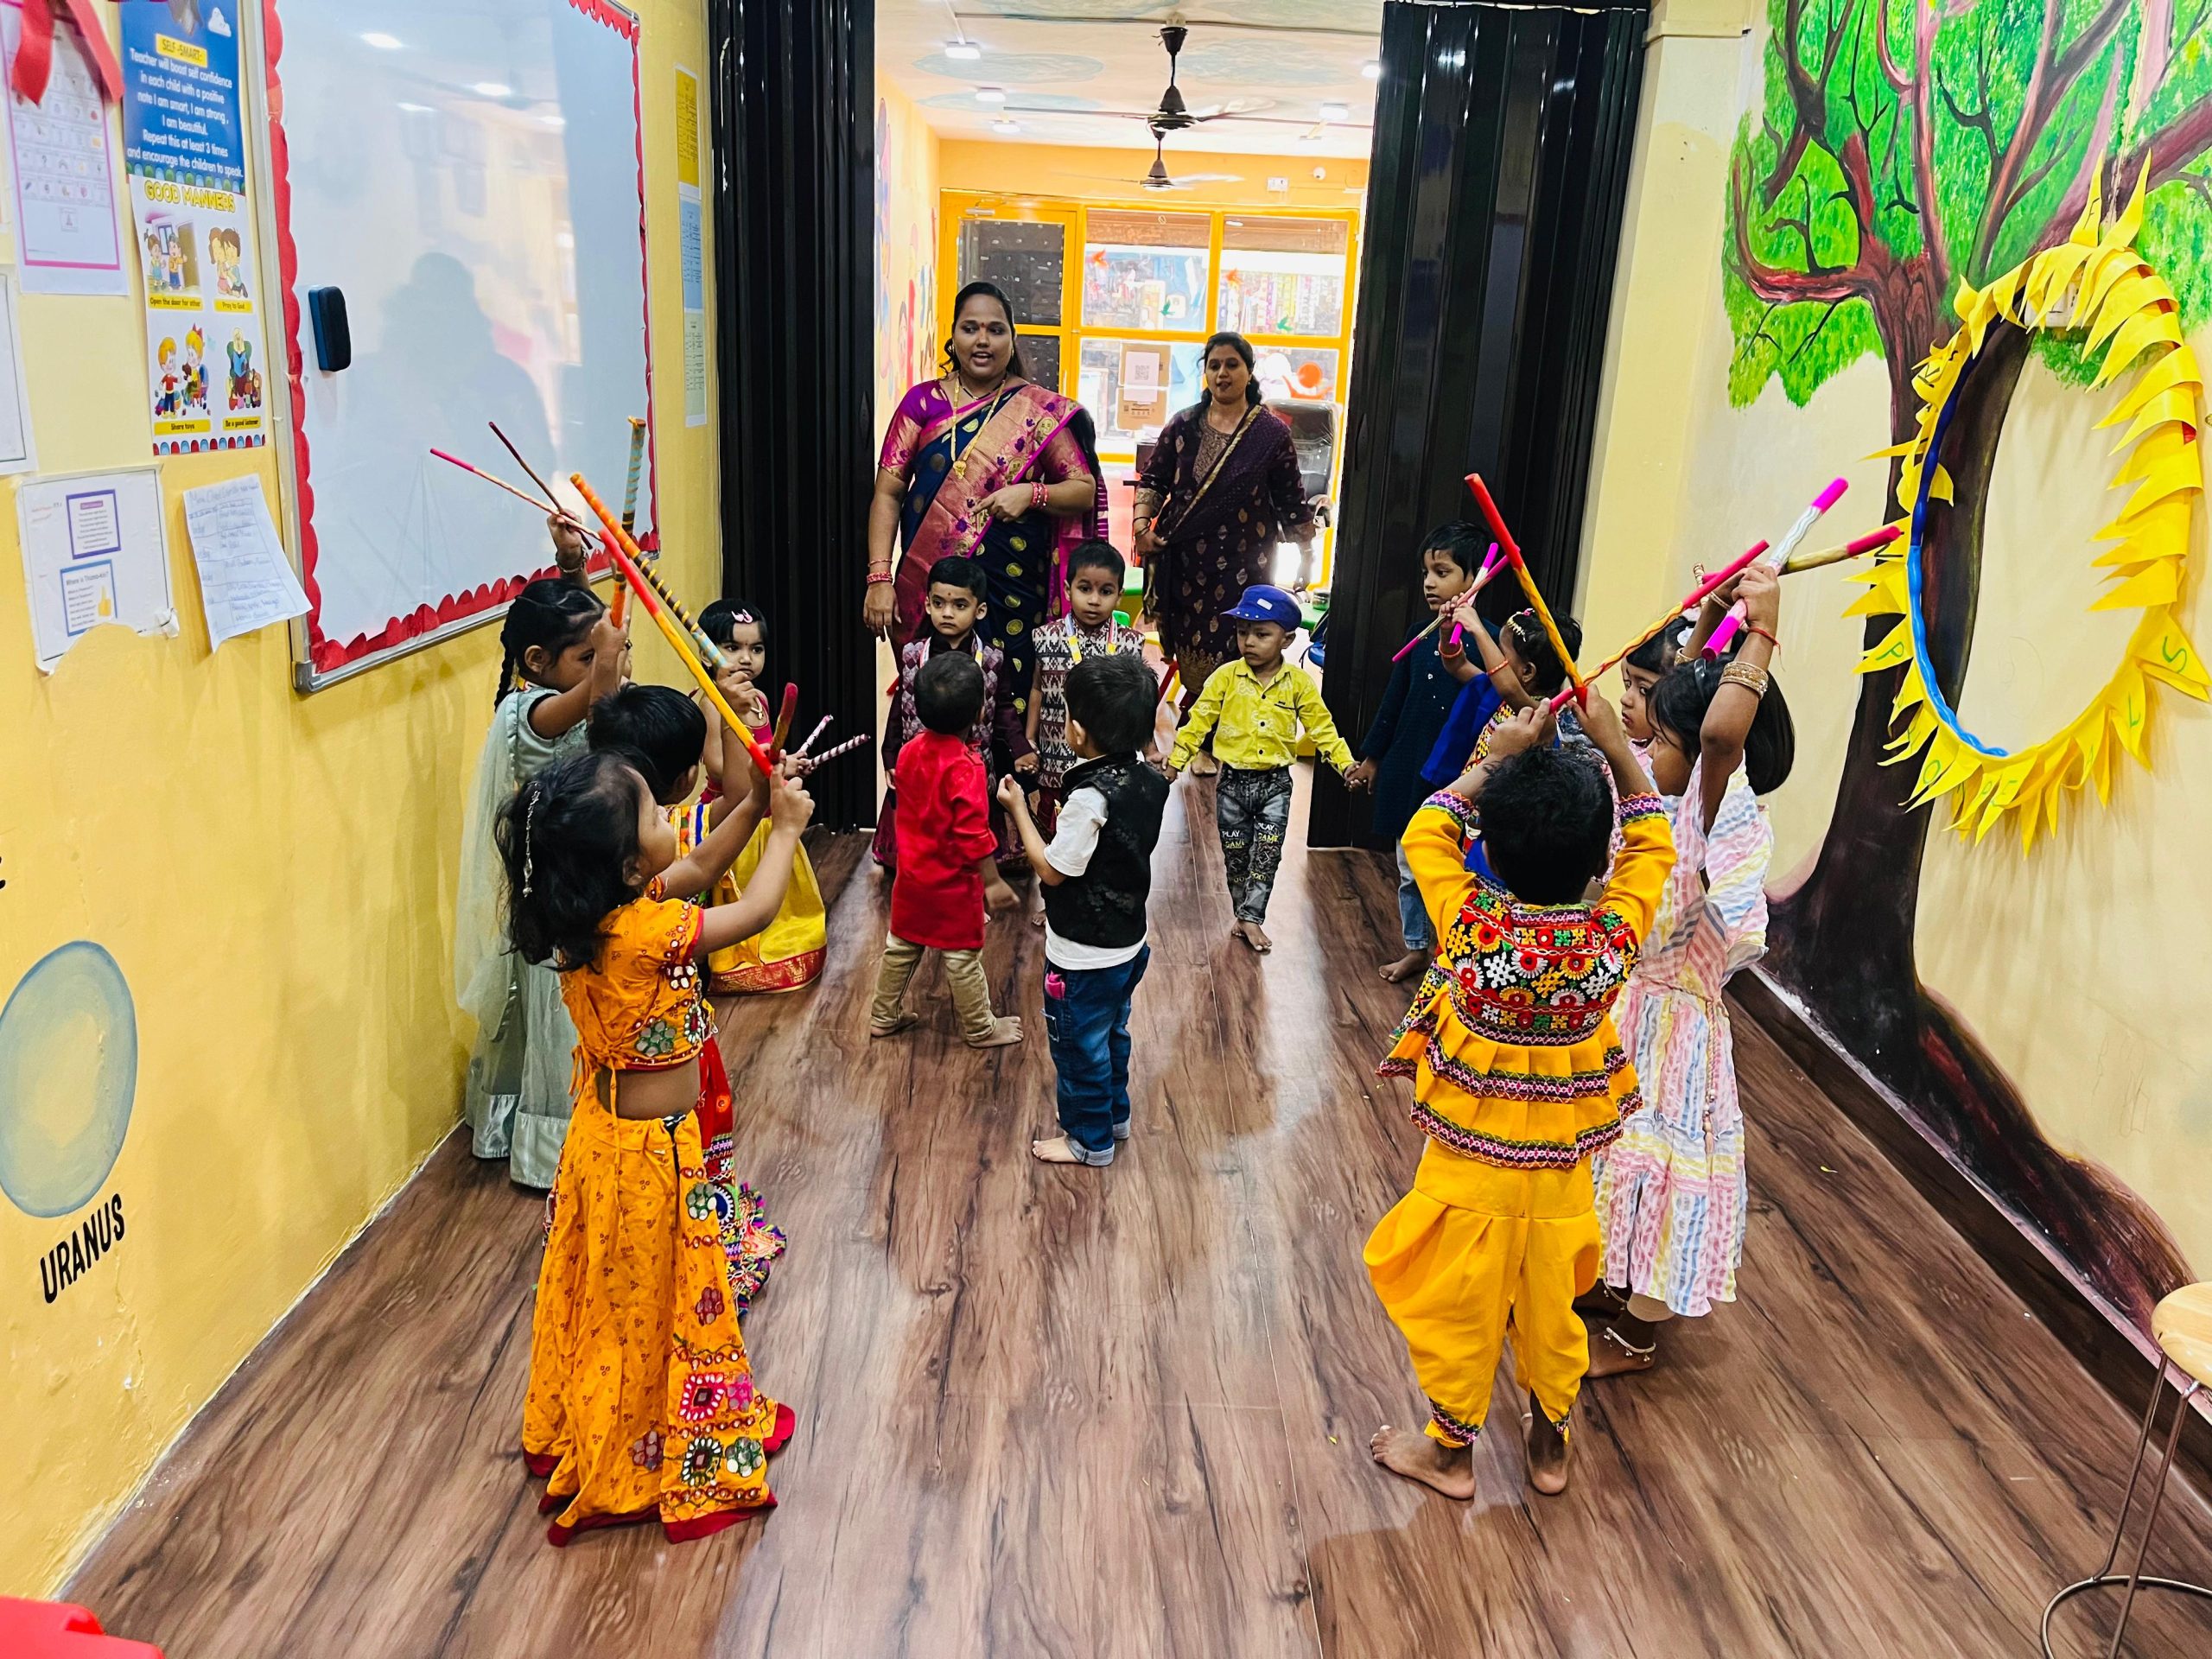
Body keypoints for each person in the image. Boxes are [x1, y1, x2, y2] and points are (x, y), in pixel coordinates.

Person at [1363, 693, 1674, 1499]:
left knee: (1461, 1309)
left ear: (1490, 853)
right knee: (1552, 1305)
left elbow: (1426, 829)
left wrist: (1493, 759)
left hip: (1467, 1171)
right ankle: (1549, 1445)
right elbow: (1654, 842)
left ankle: (1451, 1455)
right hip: (1562, 1176)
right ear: (1597, 862)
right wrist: (1617, 748)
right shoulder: (1610, 938)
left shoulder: (1471, 923)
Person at [499, 747, 813, 1544]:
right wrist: (784, 832)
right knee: (644, 1307)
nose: (669, 818)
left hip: (606, 1143)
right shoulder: (649, 932)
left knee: (621, 1295)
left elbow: (702, 864)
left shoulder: (602, 914)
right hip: (649, 1158)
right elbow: (755, 913)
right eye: (653, 814)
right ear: (630, 864)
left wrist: (755, 805)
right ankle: (640, 1448)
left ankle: (629, 1420)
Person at [1587, 566, 1795, 1376]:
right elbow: (1685, 719)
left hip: (1673, 1033)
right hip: (1631, 1012)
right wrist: (1710, 626)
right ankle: (1613, 1278)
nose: (1646, 746)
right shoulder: (1669, 795)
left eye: (1660, 742)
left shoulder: (1718, 807)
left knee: (1660, 1169)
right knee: (1616, 1156)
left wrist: (1761, 629)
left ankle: (1639, 1332)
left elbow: (1713, 738)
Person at [454, 519, 627, 1190]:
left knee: (553, 1017)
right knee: (555, 1019)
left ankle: (514, 1126)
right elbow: (600, 692)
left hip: (578, 879)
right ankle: (553, 1149)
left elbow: (598, 662)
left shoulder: (558, 687)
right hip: (551, 897)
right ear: (536, 662)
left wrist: (576, 568)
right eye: (585, 655)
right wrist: (607, 650)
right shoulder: (528, 717)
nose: (606, 661)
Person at [865, 280, 1108, 711]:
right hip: (932, 588)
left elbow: (1082, 489)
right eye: (970, 328)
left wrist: (1031, 494)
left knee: (1007, 709)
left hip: (1013, 591)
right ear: (953, 336)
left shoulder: (1038, 410)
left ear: (1012, 339)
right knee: (930, 704)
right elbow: (888, 492)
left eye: (995, 330)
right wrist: (879, 578)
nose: (982, 340)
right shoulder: (922, 404)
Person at [997, 654, 1168, 1167]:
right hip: (1128, 941)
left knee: (1078, 1047)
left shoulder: (1090, 798)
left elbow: (1053, 871)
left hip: (1083, 954)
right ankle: (1113, 1116)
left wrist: (1018, 810)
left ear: (1076, 730)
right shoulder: (1147, 776)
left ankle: (1089, 1141)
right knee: (1112, 1034)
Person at [1135, 333, 1319, 768]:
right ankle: (1201, 739)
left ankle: (1220, 742)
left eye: (1232, 364)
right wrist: (1142, 526)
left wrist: (1307, 556)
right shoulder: (1183, 425)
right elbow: (1154, 480)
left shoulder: (1270, 434)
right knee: (1192, 650)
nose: (1222, 373)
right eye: (1214, 365)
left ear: (1249, 372)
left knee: (1239, 646)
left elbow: (1292, 501)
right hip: (1185, 562)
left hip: (1245, 564)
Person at [1165, 583, 1358, 955]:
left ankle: (1252, 917)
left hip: (1275, 785)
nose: (1249, 642)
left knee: (1267, 856)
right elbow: (1198, 721)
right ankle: (1242, 912)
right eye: (1242, 632)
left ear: (1287, 640)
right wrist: (1176, 763)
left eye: (1261, 634)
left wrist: (1345, 764)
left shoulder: (1299, 684)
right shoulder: (1225, 677)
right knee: (1236, 855)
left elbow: (1322, 729)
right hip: (1232, 784)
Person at [1344, 524, 1484, 983]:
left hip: (1461, 777)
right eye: (1427, 572)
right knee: (1409, 865)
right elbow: (1393, 703)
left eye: (1442, 572)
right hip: (1411, 767)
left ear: (1474, 578)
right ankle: (1417, 948)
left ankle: (1454, 954)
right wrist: (1372, 758)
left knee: (1457, 870)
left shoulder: (1491, 641)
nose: (1428, 582)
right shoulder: (1418, 636)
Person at [871, 652, 1024, 1047]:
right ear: (979, 712)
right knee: (961, 958)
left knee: (901, 947)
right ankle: (981, 1028)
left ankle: (883, 1016)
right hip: (953, 885)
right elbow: (973, 834)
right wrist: (992, 881)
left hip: (911, 876)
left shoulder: (909, 751)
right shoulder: (966, 767)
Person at [687, 600, 830, 994]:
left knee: (779, 902)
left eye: (756, 648)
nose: (746, 658)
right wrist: (766, 769)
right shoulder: (711, 702)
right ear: (707, 652)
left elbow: (768, 749)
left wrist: (785, 762)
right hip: (731, 818)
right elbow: (718, 767)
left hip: (766, 813)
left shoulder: (762, 700)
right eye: (732, 647)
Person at [874, 556, 1033, 869]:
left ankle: (967, 880)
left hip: (972, 767)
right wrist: (890, 756)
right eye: (939, 603)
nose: (947, 613)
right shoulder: (913, 654)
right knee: (923, 832)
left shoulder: (991, 659)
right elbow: (899, 707)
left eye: (960, 605)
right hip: (922, 767)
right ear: (928, 605)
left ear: (980, 610)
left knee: (968, 830)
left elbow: (1003, 709)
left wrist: (1020, 748)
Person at [1025, 537, 1153, 839]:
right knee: (1055, 828)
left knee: (1106, 831)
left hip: (1112, 759)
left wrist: (1151, 749)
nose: (1094, 600)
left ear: (1119, 596)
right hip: (1057, 753)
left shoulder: (1130, 643)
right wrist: (1030, 737)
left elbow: (1140, 704)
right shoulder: (1045, 637)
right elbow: (1037, 689)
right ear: (1068, 589)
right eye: (1085, 589)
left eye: (1105, 591)